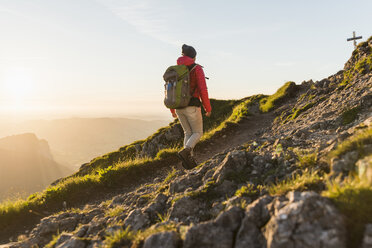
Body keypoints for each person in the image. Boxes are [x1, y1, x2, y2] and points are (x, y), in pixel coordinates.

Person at [171, 44, 212, 169]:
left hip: (178, 107)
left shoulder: (175, 70)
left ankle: (188, 162)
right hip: (192, 106)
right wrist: (208, 108)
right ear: (193, 56)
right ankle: (186, 151)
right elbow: (202, 89)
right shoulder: (196, 68)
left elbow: (171, 90)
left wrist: (172, 110)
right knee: (198, 132)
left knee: (188, 133)